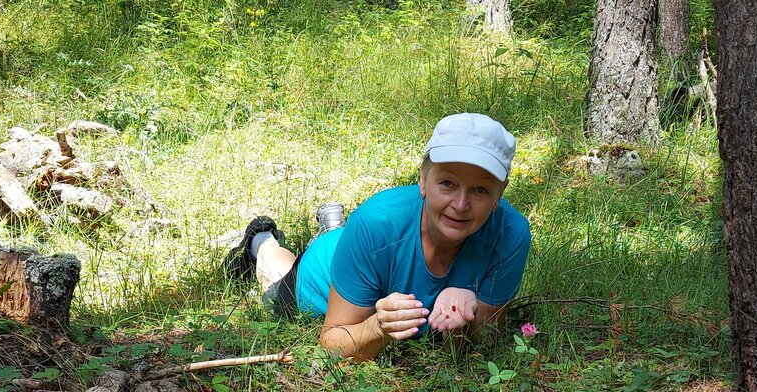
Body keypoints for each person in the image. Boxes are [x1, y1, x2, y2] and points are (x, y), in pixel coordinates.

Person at [225, 113, 532, 362]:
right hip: (323, 270)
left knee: (360, 244)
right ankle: (262, 240)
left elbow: (484, 340)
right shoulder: (376, 223)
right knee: (276, 280)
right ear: (423, 180)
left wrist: (470, 309)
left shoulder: (511, 234)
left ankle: (333, 227)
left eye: (480, 189)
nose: (461, 204)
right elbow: (331, 343)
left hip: (368, 248)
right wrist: (376, 326)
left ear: (499, 194)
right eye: (448, 183)